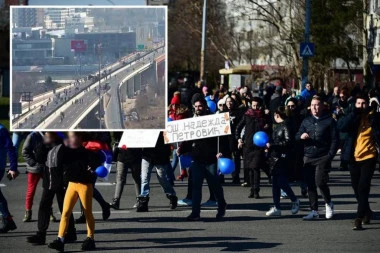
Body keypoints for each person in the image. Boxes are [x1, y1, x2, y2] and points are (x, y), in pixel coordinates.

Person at [48, 132, 103, 252]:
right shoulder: (66, 151)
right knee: (65, 212)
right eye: (70, 136)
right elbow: (59, 160)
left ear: (79, 138)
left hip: (84, 185)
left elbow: (98, 162)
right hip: (72, 185)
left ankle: (90, 238)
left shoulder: (87, 152)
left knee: (87, 213)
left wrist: (93, 168)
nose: (70, 138)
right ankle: (60, 239)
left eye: (73, 136)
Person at [177, 95, 227, 221]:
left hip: (211, 159)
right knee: (196, 187)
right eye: (196, 106)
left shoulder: (212, 120)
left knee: (215, 185)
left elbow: (223, 139)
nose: (198, 108)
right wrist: (181, 149)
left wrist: (221, 152)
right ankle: (195, 212)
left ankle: (221, 206)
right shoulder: (191, 121)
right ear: (193, 107)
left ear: (205, 106)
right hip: (197, 160)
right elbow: (188, 140)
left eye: (200, 106)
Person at [337, 94, 380, 230]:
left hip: (369, 156)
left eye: (363, 104)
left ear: (367, 104)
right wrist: (354, 114)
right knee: (356, 189)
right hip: (353, 157)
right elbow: (341, 127)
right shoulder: (352, 115)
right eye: (358, 103)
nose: (361, 106)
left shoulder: (374, 116)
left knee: (363, 187)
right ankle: (367, 211)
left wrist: (373, 118)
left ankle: (358, 218)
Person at [27, 132, 77, 245]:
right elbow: (39, 159)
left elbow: (68, 163)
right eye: (45, 134)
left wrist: (66, 180)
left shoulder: (64, 144)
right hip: (48, 180)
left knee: (65, 208)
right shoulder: (45, 145)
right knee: (44, 205)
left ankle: (70, 233)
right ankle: (41, 234)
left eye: (48, 134)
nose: (46, 136)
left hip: (61, 181)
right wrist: (43, 145)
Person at [296, 96, 339, 220]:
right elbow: (297, 135)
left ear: (322, 106)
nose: (315, 107)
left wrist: (330, 155)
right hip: (308, 156)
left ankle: (328, 203)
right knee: (310, 184)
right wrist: (301, 136)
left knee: (320, 182)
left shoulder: (329, 121)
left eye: (317, 105)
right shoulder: (306, 121)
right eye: (313, 105)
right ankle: (314, 210)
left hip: (323, 156)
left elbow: (335, 140)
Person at [265, 107, 300, 216]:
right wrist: (269, 147)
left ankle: (294, 200)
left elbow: (288, 142)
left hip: (283, 158)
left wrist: (272, 145)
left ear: (277, 115)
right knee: (275, 183)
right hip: (275, 157)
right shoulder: (278, 126)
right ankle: (277, 207)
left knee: (281, 182)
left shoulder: (286, 126)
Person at [236, 97, 271, 199]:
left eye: (257, 105)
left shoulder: (264, 116)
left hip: (259, 146)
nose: (255, 107)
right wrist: (239, 139)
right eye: (253, 105)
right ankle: (252, 189)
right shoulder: (247, 115)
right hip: (248, 145)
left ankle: (256, 190)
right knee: (250, 168)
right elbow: (238, 127)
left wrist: (267, 139)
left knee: (256, 168)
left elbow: (269, 130)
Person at [136, 132, 178, 212]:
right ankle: (143, 201)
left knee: (162, 178)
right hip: (147, 154)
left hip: (160, 154)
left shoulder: (164, 126)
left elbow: (169, 137)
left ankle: (171, 195)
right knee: (144, 178)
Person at [22, 132, 57, 222]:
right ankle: (28, 212)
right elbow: (25, 152)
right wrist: (33, 163)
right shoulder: (32, 136)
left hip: (47, 167)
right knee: (31, 191)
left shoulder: (50, 135)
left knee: (49, 191)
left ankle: (49, 212)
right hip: (34, 169)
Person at [0, 124, 18, 233]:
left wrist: (13, 167)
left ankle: (8, 220)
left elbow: (10, 148)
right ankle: (8, 220)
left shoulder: (1, 130)